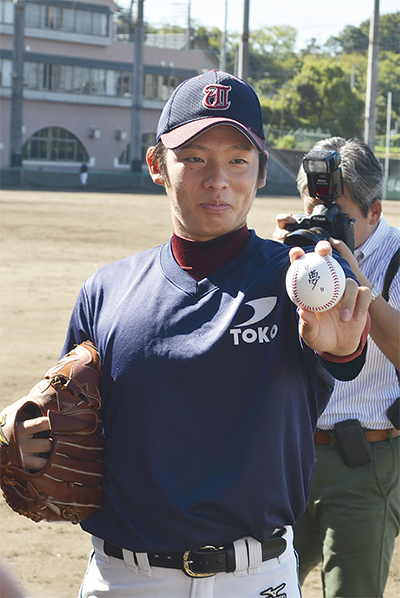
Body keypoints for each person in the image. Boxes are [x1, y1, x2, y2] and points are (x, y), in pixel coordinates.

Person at [16, 72, 371, 598]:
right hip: (125, 578)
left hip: (255, 577)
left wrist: (343, 349)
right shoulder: (106, 289)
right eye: (195, 157)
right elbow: (76, 423)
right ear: (157, 164)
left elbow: (341, 352)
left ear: (261, 171)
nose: (218, 179)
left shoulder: (295, 278)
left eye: (238, 159)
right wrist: (36, 439)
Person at [273, 136, 400, 598]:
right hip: (287, 457)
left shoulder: (396, 257)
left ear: (374, 211)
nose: (323, 223)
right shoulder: (299, 255)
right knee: (258, 585)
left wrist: (357, 280)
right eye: (314, 209)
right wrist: (271, 263)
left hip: (363, 462)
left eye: (337, 214)